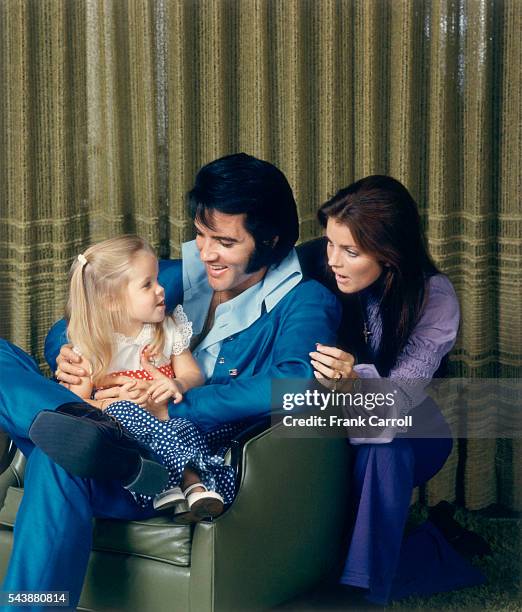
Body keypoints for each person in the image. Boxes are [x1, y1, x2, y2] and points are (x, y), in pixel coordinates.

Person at [0, 153, 341, 608]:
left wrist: (178, 406)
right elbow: (93, 305)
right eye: (200, 235)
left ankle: (69, 428)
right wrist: (68, 354)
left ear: (269, 239)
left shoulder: (305, 300)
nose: (205, 252)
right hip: (102, 425)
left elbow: (296, 383)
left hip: (168, 460)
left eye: (223, 241)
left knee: (57, 457)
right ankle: (70, 419)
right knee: (47, 418)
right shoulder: (187, 276)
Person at [309, 175, 486, 605]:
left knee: (384, 448)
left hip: (414, 428)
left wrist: (353, 380)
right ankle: (431, 549)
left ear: (391, 255)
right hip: (341, 428)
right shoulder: (318, 263)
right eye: (330, 243)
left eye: (351, 251)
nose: (334, 260)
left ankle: (360, 595)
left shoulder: (435, 296)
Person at [50, 234, 232, 519]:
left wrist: (176, 383)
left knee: (191, 426)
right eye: (147, 285)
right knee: (125, 413)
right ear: (112, 301)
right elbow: (77, 404)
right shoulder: (91, 346)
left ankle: (180, 488)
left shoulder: (167, 328)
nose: (161, 290)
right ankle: (190, 483)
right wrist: (114, 405)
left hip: (170, 421)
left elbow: (193, 375)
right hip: (127, 435)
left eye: (157, 280)